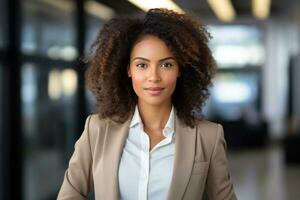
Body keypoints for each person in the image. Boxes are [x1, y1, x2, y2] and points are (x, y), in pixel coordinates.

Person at [58, 8, 237, 200]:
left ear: (179, 70)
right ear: (128, 70)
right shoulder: (97, 130)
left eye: (166, 64)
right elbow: (70, 194)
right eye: (142, 65)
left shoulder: (208, 137)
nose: (153, 77)